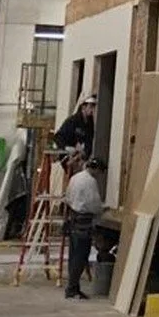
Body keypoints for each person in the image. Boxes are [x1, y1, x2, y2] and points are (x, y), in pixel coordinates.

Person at [63, 155, 105, 300]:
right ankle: (72, 289)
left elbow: (67, 197)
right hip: (84, 221)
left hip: (74, 218)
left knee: (74, 255)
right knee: (81, 256)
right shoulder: (90, 181)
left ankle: (72, 287)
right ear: (96, 169)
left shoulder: (75, 178)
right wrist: (102, 209)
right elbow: (93, 203)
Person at [54, 94, 98, 158]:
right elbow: (58, 137)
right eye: (91, 107)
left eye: (94, 107)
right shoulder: (72, 121)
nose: (92, 110)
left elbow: (89, 141)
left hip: (80, 157)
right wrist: (66, 147)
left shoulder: (90, 124)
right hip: (67, 155)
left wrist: (85, 153)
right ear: (83, 107)